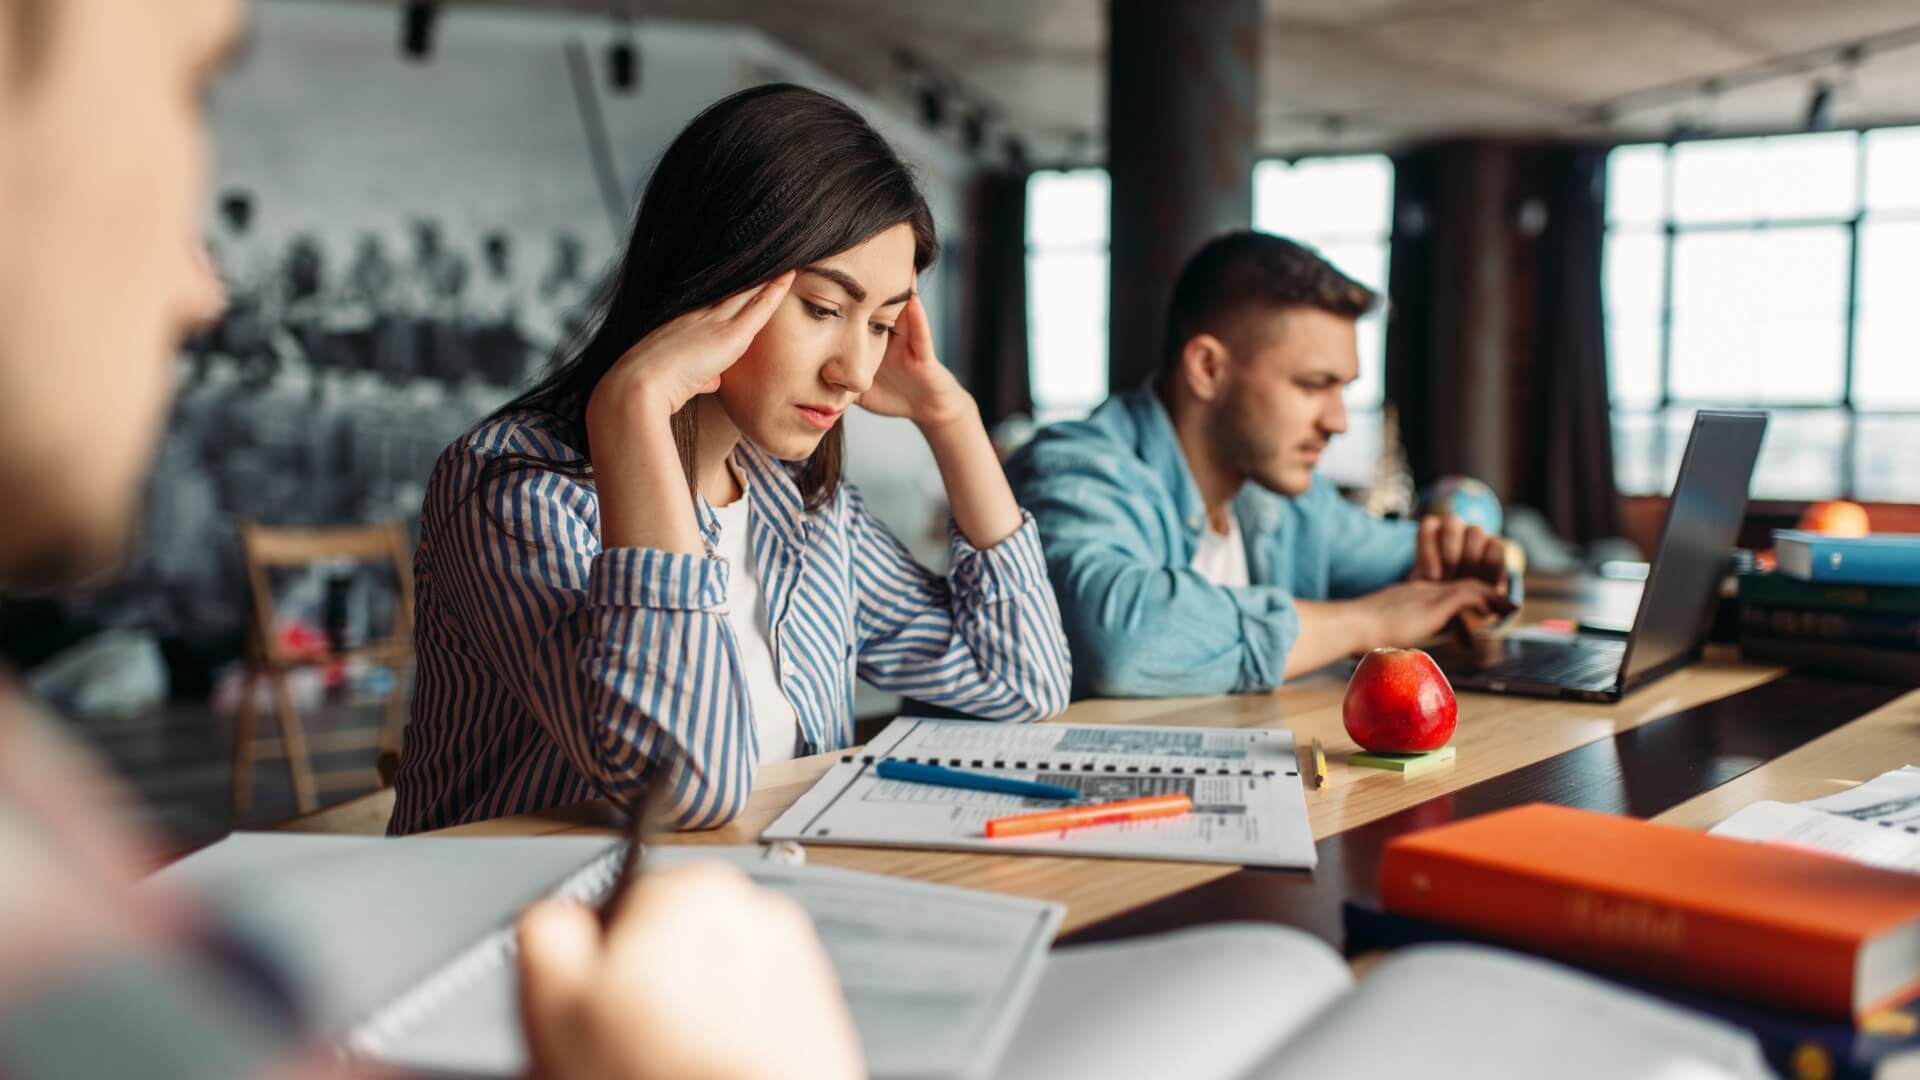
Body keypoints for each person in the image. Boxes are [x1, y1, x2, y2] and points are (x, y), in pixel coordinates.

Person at [0, 1, 861, 1076]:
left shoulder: (38, 819)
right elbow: (685, 778)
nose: (203, 287)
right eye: (184, 85)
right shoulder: (518, 482)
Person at [389, 84, 1072, 835]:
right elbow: (683, 785)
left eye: (879, 324)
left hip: (744, 912)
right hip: (543, 933)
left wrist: (953, 418)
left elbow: (1022, 680)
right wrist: (634, 407)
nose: (854, 369)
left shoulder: (800, 506)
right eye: (822, 309)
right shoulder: (518, 496)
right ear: (715, 275)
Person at [1004, 231, 1508, 698]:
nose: (1338, 422)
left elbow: (1414, 563)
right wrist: (1366, 623)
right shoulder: (1074, 468)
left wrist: (1479, 566)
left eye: (1343, 390)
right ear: (1208, 369)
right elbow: (1115, 645)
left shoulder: (1284, 495)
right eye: (1313, 385)